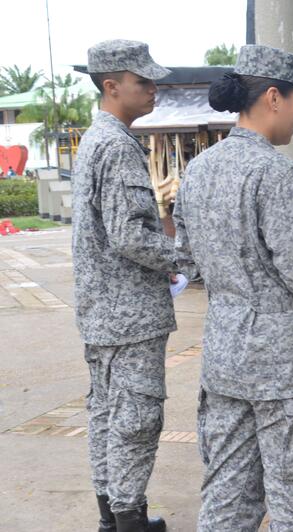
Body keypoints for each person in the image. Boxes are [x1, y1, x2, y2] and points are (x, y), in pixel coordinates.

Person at [172, 45, 293, 532]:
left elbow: (187, 259)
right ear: (273, 96)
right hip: (287, 371)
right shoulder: (275, 172)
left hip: (225, 359)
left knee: (227, 503)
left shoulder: (199, 169)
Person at [72, 40, 184, 532]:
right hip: (129, 314)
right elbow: (129, 235)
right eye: (143, 82)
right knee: (137, 419)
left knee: (106, 414)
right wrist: (184, 257)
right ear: (112, 87)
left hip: (101, 312)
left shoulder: (95, 139)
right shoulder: (116, 145)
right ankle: (129, 517)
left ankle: (114, 514)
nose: (153, 89)